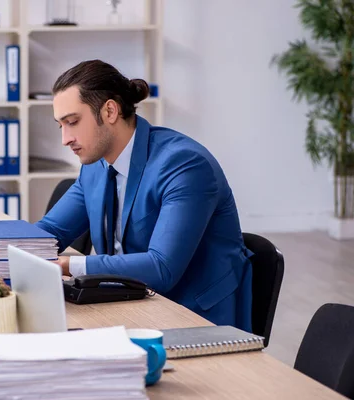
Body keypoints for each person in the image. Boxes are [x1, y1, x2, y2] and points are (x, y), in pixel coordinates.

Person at [35, 60, 253, 331]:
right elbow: (50, 230)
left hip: (192, 319)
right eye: (61, 126)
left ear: (110, 111)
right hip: (131, 307)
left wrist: (68, 265)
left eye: (73, 122)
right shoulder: (96, 165)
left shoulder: (184, 165)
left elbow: (161, 267)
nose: (65, 139)